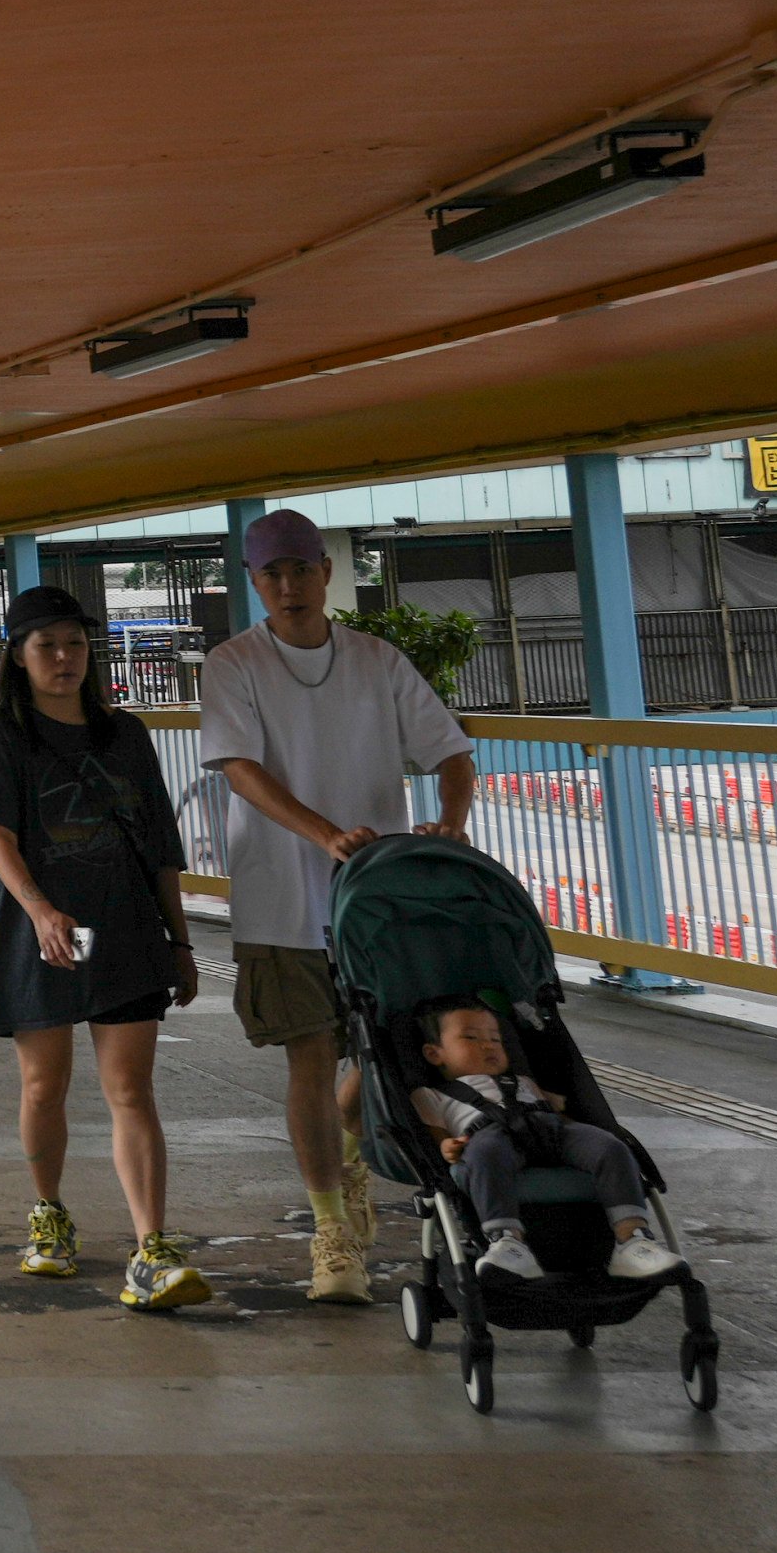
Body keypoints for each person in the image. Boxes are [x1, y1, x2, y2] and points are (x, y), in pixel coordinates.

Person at [199, 507, 476, 1305]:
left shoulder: (377, 661)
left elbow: (452, 751)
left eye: (301, 570)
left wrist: (449, 824)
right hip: (281, 896)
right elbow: (239, 767)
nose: (289, 587)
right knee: (311, 1059)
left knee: (387, 1051)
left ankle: (350, 1151)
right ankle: (331, 1234)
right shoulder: (233, 663)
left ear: (326, 572)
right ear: (254, 585)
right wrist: (322, 833)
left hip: (378, 895)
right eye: (271, 575)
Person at [0, 584, 210, 1311]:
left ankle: (152, 1249)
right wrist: (42, 911)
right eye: (46, 645)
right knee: (45, 1084)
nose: (64, 657)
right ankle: (49, 1217)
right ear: (18, 655)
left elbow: (162, 848)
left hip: (125, 926)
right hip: (51, 928)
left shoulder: (124, 735)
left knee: (130, 1090)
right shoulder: (5, 737)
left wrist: (179, 938)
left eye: (75, 643)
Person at [413, 1002, 682, 1284]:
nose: (488, 1045)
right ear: (434, 1053)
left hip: (551, 1129)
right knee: (485, 1152)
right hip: (489, 1136)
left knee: (611, 1147)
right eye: (471, 1037)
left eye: (495, 1039)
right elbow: (437, 1139)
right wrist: (448, 1148)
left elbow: (559, 1112)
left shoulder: (523, 1081)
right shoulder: (432, 1094)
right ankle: (507, 1242)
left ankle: (632, 1240)